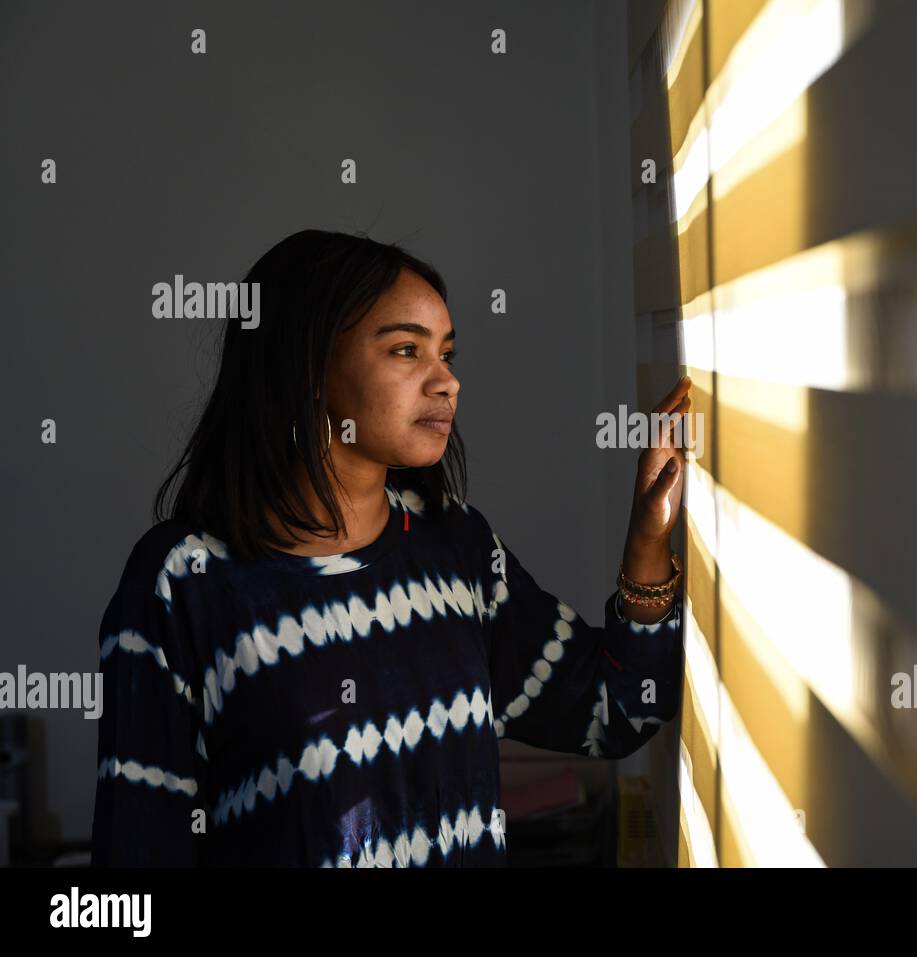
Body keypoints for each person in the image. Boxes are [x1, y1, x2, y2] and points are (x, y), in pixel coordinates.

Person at [90, 229, 691, 867]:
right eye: (407, 350)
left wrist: (647, 535)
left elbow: (620, 708)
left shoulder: (456, 547)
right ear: (308, 367)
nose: (448, 383)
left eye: (448, 354)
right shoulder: (184, 581)